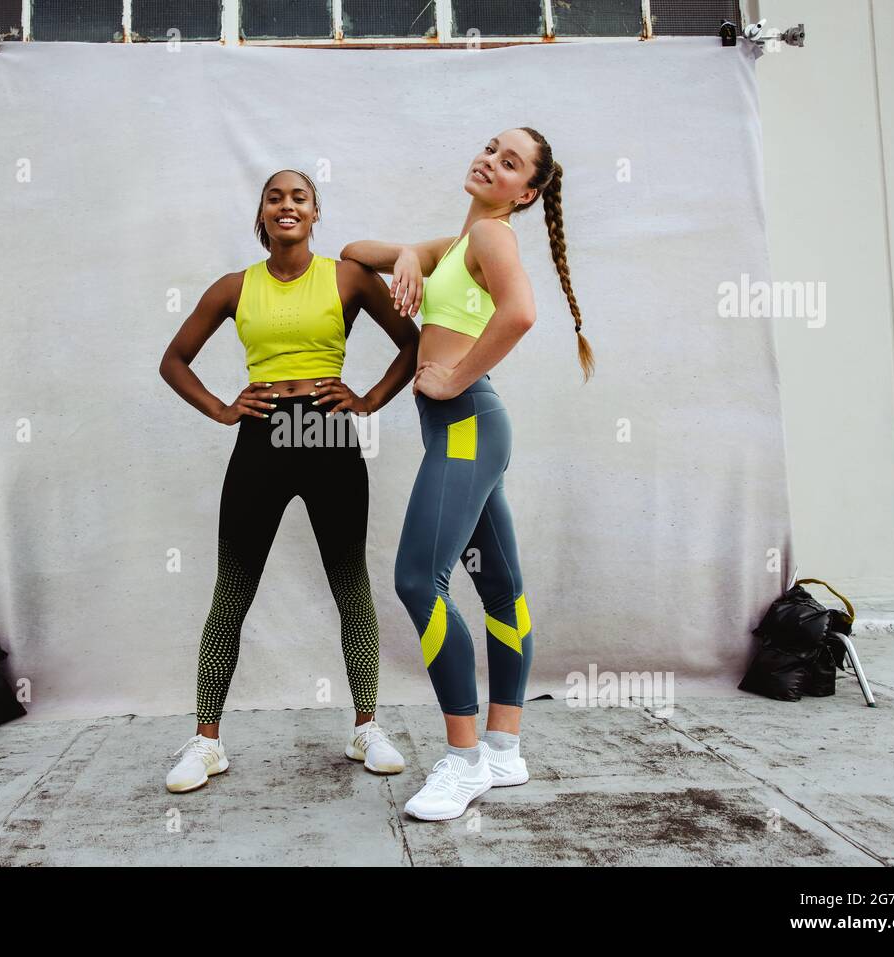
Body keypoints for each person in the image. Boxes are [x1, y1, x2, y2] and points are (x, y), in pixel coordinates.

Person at [341, 128, 594, 821]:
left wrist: (454, 373)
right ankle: (504, 747)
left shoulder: (492, 239)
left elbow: (521, 312)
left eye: (510, 162)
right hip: (467, 433)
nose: (490, 160)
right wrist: (413, 261)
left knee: (418, 579)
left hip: (468, 427)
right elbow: (355, 254)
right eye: (490, 147)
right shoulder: (461, 241)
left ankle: (463, 761)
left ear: (528, 192)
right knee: (501, 585)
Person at [159, 169, 420, 793]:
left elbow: (411, 343)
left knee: (349, 581)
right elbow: (173, 360)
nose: (287, 205)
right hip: (264, 435)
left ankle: (366, 726)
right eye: (275, 197)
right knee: (233, 587)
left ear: (315, 211)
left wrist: (370, 399)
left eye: (298, 197)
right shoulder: (233, 287)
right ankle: (207, 741)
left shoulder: (349, 276)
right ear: (262, 213)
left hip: (328, 433)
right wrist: (222, 408)